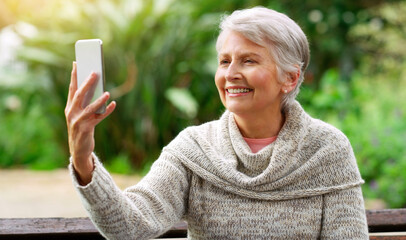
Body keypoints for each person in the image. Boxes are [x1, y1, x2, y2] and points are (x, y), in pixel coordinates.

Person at [65, 6, 369, 239]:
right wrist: (82, 160)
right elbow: (129, 226)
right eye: (225, 61)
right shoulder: (194, 149)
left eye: (248, 60)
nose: (230, 74)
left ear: (289, 78)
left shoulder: (328, 150)